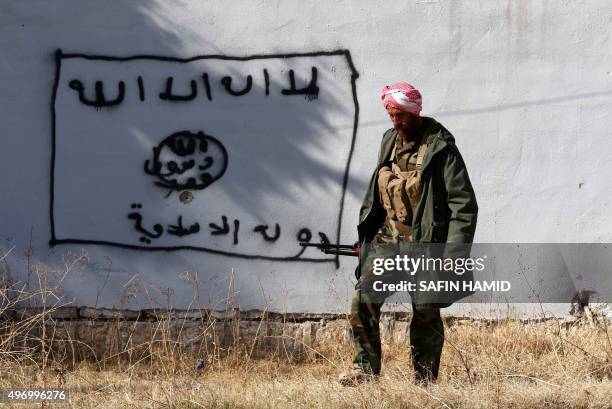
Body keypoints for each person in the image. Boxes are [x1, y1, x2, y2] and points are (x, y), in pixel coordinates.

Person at [339, 82, 478, 386]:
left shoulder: (441, 148)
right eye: (391, 115)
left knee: (426, 313)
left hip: (426, 246)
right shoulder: (389, 140)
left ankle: (425, 381)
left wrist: (453, 257)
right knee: (363, 298)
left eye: (400, 115)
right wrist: (367, 239)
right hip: (389, 241)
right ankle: (364, 370)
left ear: (416, 111)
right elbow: (379, 195)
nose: (396, 121)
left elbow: (464, 206)